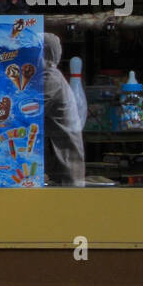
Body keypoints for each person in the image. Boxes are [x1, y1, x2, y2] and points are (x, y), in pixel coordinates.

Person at [41, 32, 85, 187]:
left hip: (65, 161)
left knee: (66, 207)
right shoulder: (51, 75)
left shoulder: (51, 77)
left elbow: (31, 110)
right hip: (60, 161)